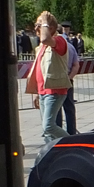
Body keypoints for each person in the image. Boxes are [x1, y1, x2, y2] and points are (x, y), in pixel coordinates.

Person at [29, 11, 71, 143]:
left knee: (48, 126)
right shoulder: (41, 47)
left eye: (39, 25)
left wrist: (45, 21)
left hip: (55, 90)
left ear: (50, 28)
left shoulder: (59, 40)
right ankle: (50, 153)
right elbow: (40, 70)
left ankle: (74, 144)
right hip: (43, 91)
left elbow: (46, 38)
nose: (36, 28)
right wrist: (36, 93)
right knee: (46, 131)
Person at [54, 37, 81, 136]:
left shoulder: (52, 47)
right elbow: (76, 65)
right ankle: (71, 132)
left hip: (55, 81)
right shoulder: (71, 47)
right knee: (69, 108)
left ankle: (58, 133)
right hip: (68, 80)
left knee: (56, 109)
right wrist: (69, 78)